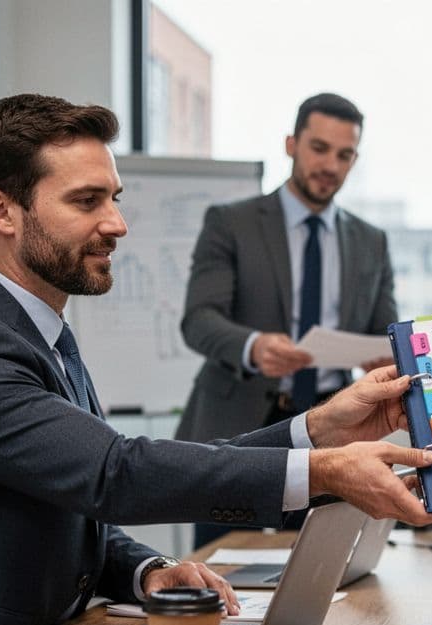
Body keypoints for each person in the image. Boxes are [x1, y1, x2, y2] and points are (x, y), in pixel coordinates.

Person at [0, 94, 432, 625]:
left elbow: (68, 512)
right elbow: (114, 474)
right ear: (1, 211)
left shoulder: (40, 335)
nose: (116, 224)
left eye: (114, 199)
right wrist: (322, 469)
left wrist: (316, 431)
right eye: (86, 201)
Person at [176, 93, 396, 547]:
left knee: (321, 576)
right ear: (291, 144)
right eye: (319, 148)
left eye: (344, 154)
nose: (330, 165)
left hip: (332, 426)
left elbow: (383, 329)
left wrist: (381, 358)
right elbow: (199, 320)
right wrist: (253, 345)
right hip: (241, 427)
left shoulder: (371, 241)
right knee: (225, 572)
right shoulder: (231, 222)